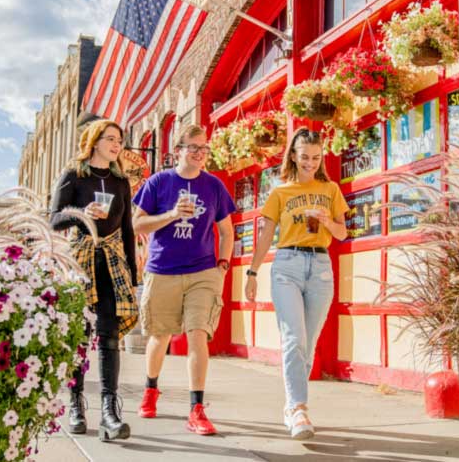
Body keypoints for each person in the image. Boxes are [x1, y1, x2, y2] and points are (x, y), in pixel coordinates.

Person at [245, 127, 348, 440]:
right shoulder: (279, 193)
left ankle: (292, 405)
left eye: (316, 158)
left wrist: (327, 220)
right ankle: (298, 408)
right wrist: (252, 272)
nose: (310, 163)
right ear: (293, 154)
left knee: (309, 342)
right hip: (286, 265)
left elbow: (342, 233)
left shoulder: (330, 190)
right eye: (305, 157)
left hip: (320, 265)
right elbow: (265, 236)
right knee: (294, 338)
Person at [132, 124, 235, 435]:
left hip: (203, 271)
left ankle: (196, 408)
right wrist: (172, 215)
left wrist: (223, 265)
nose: (199, 154)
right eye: (193, 148)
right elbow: (137, 224)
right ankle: (150, 389)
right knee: (159, 337)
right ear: (177, 150)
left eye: (204, 149)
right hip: (163, 269)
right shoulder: (158, 182)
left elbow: (227, 231)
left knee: (197, 334)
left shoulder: (214, 186)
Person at [50, 120, 138, 442]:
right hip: (80, 262)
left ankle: (110, 412)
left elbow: (127, 228)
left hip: (111, 264)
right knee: (80, 336)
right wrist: (81, 213)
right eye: (111, 138)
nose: (117, 145)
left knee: (110, 336)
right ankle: (75, 404)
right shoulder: (75, 175)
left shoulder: (120, 181)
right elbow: (54, 219)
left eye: (120, 140)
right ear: (94, 141)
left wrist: (132, 272)